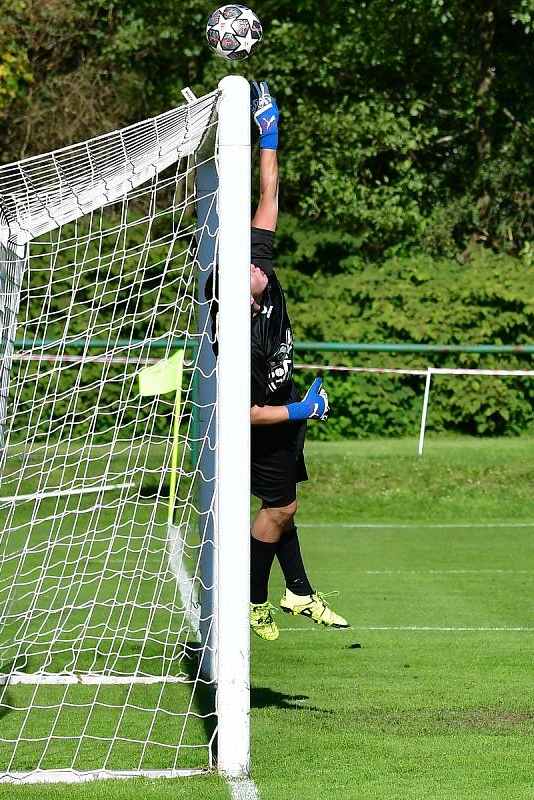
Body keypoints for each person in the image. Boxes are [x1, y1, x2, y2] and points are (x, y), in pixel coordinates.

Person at [240, 81, 350, 640]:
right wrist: (304, 410)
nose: (261, 266)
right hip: (268, 422)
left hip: (285, 411)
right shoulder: (240, 339)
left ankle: (299, 592)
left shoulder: (255, 267)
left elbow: (269, 194)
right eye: (251, 269)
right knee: (277, 510)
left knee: (288, 505)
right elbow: (247, 414)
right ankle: (255, 601)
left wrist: (270, 133)